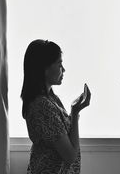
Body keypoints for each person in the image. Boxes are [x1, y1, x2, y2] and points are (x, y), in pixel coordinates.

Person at [21, 39, 91, 174]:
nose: (63, 69)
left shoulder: (51, 99)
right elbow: (70, 155)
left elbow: (62, 135)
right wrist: (75, 114)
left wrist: (74, 112)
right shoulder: (42, 106)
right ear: (45, 68)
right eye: (59, 64)